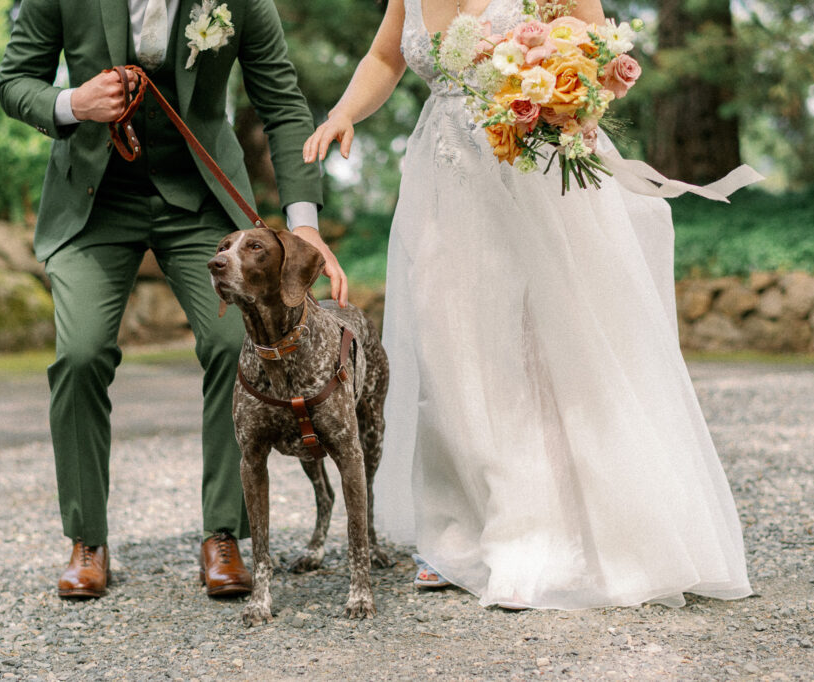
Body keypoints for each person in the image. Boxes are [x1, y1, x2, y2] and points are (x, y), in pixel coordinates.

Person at [304, 0, 753, 609]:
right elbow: (384, 57)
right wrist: (342, 114)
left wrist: (566, 96)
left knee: (543, 345)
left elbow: (600, 48)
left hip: (536, 173)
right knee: (449, 344)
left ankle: (553, 530)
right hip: (444, 181)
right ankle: (462, 531)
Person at [0, 0, 347, 600]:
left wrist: (303, 222)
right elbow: (14, 81)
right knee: (80, 354)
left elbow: (284, 106)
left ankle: (224, 533)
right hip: (93, 200)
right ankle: (87, 540)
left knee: (233, 343)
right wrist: (71, 103)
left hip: (201, 196)